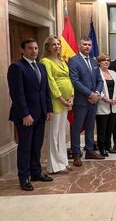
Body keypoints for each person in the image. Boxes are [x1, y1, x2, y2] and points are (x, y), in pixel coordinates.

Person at [7, 38, 53, 191]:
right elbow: (17, 94)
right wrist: (25, 114)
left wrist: (48, 109)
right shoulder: (17, 67)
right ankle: (24, 177)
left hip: (40, 113)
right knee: (25, 147)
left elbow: (45, 90)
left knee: (37, 145)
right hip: (25, 116)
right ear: (22, 50)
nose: (34, 51)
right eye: (30, 48)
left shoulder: (41, 66)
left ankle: (36, 172)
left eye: (36, 48)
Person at [68, 37, 105, 167]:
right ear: (79, 45)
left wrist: (97, 93)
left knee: (90, 127)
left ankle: (89, 150)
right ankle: (76, 154)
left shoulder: (94, 61)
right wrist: (89, 94)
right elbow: (75, 81)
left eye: (89, 44)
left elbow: (100, 80)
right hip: (81, 101)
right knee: (77, 128)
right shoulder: (73, 61)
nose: (87, 46)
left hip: (94, 101)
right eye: (85, 44)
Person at [40, 35, 74, 174]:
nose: (57, 47)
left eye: (58, 44)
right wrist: (61, 98)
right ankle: (54, 165)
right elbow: (50, 81)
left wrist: (71, 96)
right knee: (54, 133)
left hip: (67, 100)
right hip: (56, 101)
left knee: (61, 133)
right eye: (54, 44)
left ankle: (63, 162)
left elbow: (68, 78)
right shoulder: (45, 61)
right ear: (47, 47)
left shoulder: (62, 60)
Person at [96, 54, 116, 157]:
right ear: (99, 62)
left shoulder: (113, 73)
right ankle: (102, 148)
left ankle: (108, 146)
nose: (106, 62)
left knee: (110, 128)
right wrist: (104, 98)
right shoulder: (97, 73)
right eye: (103, 60)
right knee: (102, 129)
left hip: (113, 104)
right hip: (102, 104)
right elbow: (95, 87)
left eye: (108, 60)